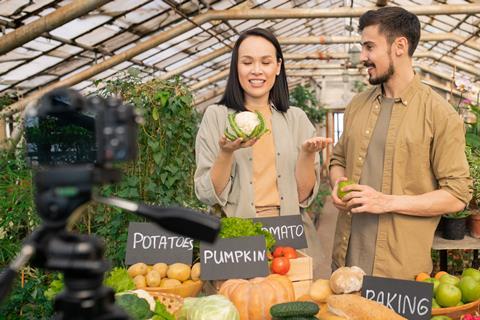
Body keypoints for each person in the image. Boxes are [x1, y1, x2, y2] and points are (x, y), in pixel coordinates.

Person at [329, 7, 473, 280]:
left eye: (370, 47)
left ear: (399, 46)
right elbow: (338, 160)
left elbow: (456, 195)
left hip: (400, 271)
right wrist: (338, 182)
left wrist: (386, 201)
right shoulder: (357, 105)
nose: (363, 57)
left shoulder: (439, 114)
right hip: (344, 263)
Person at [194, 28, 332, 278]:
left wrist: (306, 156)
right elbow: (206, 195)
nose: (257, 70)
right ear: (236, 67)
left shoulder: (296, 119)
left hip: (288, 238)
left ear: (278, 67)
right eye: (247, 62)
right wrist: (225, 153)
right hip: (238, 238)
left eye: (266, 62)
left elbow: (304, 197)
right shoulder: (216, 116)